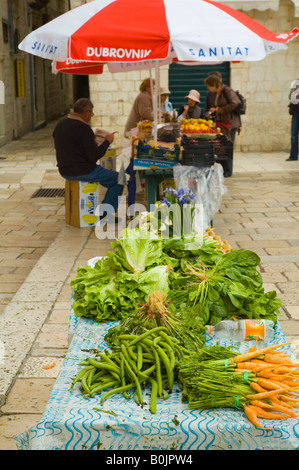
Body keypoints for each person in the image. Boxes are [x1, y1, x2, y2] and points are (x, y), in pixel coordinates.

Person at [53, 97, 124, 222]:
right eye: (91, 113)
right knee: (119, 178)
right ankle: (106, 214)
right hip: (82, 170)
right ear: (86, 112)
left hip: (64, 169)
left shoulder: (60, 124)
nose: (91, 116)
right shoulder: (83, 128)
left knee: (109, 176)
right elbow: (94, 156)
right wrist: (107, 141)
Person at [204, 74, 241, 177]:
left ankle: (228, 171)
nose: (207, 88)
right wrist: (213, 112)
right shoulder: (215, 94)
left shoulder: (227, 91)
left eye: (208, 86)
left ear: (213, 85)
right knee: (221, 147)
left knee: (228, 146)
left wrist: (218, 110)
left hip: (230, 124)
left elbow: (235, 104)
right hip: (221, 124)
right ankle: (222, 170)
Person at [286, 79, 299, 161]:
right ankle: (293, 155)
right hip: (296, 111)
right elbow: (290, 96)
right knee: (294, 135)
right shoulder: (296, 83)